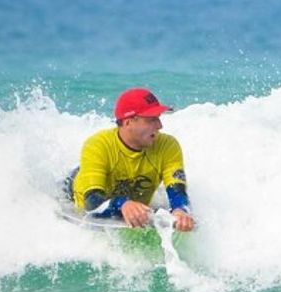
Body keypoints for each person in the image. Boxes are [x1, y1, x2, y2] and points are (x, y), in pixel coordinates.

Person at [66, 87, 195, 231]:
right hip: (77, 193)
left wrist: (180, 210)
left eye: (158, 118)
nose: (160, 126)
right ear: (128, 122)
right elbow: (92, 203)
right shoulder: (97, 145)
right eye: (152, 119)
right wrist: (122, 204)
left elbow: (178, 192)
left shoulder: (168, 146)